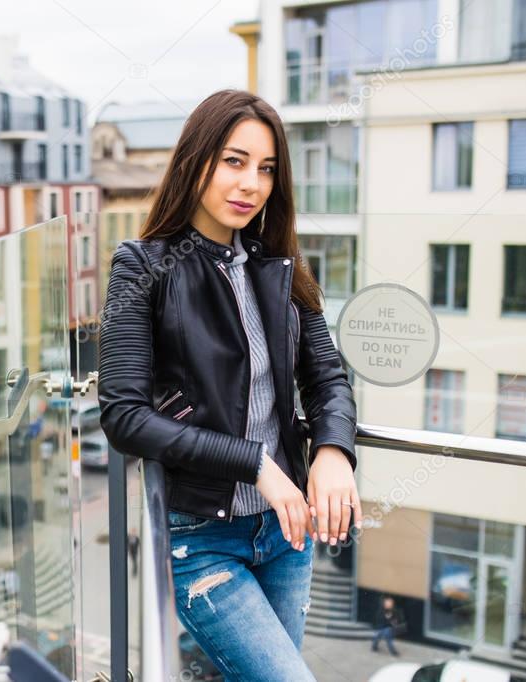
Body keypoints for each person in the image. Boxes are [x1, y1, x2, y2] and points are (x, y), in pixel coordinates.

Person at [98, 89, 360, 682]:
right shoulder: (143, 265)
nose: (251, 184)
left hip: (286, 535)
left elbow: (326, 376)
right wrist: (255, 464)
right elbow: (124, 415)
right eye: (234, 161)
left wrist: (335, 452)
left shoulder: (280, 264)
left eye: (266, 169)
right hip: (205, 538)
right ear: (197, 161)